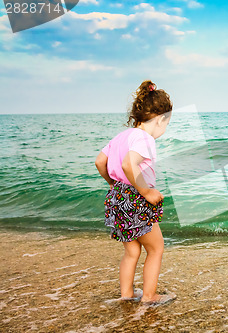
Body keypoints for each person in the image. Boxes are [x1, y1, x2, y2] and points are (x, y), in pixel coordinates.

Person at [95, 80, 176, 306]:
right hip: (136, 197)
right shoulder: (145, 139)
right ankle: (149, 296)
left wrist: (114, 184)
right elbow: (129, 165)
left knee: (132, 251)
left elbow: (100, 161)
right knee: (156, 247)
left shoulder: (122, 136)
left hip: (117, 197)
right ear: (161, 119)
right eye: (167, 123)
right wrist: (145, 191)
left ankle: (127, 294)